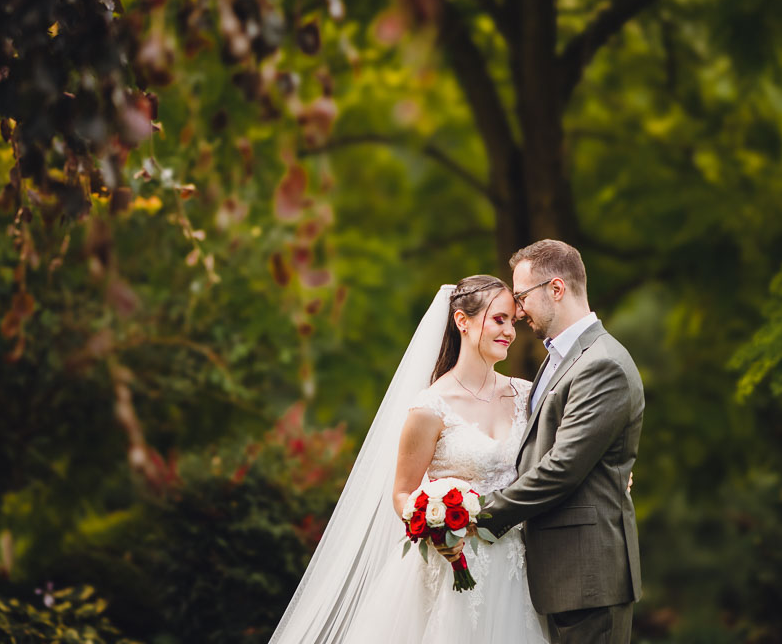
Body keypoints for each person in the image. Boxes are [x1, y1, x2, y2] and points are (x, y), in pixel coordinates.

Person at [268, 275, 551, 643]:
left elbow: (554, 463)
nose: (510, 331)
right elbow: (403, 493)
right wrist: (434, 526)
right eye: (499, 319)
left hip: (518, 566)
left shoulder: (526, 395)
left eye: (512, 321)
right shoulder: (430, 407)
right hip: (453, 566)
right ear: (462, 321)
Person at [476, 239, 645, 644]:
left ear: (556, 289)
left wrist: (479, 515)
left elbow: (562, 468)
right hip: (560, 572)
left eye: (521, 297)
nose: (517, 312)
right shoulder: (559, 356)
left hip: (588, 577)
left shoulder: (601, 363)